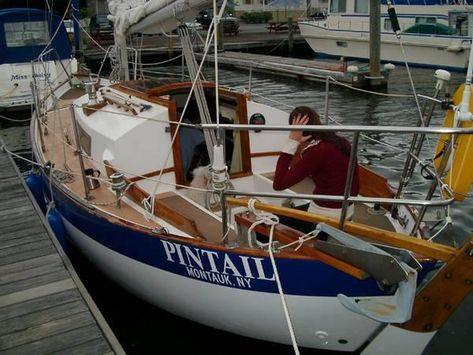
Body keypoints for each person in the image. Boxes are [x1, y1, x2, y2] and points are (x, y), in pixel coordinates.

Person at [273, 106, 360, 221]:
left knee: (274, 219)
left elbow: (278, 184)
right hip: (347, 208)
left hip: (327, 215)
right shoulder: (341, 142)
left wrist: (291, 142)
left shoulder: (317, 151)